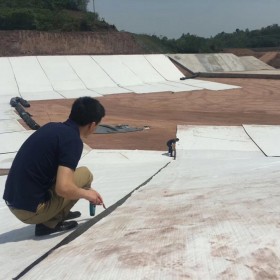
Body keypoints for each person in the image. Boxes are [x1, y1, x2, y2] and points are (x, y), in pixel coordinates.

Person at [3, 96, 105, 236]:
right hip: (29, 211)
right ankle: (49, 223)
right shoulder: (73, 141)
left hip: (14, 201)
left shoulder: (52, 128)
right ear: (92, 125)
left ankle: (55, 212)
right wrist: (88, 194)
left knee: (76, 178)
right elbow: (63, 188)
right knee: (85, 175)